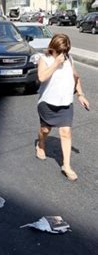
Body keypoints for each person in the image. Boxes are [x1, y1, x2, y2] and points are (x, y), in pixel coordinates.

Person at [36, 34, 90, 181]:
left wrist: (80, 94)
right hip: (47, 103)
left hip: (65, 103)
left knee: (66, 132)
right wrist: (55, 64)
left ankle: (66, 165)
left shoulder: (69, 58)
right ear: (52, 48)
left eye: (64, 52)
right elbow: (41, 78)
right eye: (59, 51)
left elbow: (75, 77)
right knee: (45, 130)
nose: (62, 55)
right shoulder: (44, 58)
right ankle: (41, 143)